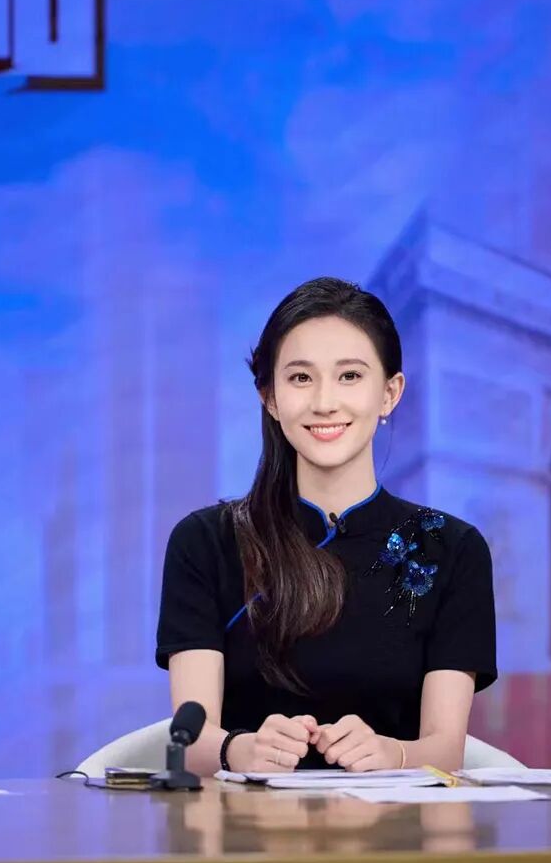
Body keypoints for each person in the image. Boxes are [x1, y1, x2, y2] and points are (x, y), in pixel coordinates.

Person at [155, 276, 497, 775]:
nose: (324, 402)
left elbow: (446, 752)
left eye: (350, 376)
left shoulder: (450, 549)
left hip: (398, 820)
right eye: (300, 378)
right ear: (270, 397)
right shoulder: (206, 542)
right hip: (242, 818)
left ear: (390, 393)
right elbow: (189, 738)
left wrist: (393, 753)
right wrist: (240, 749)